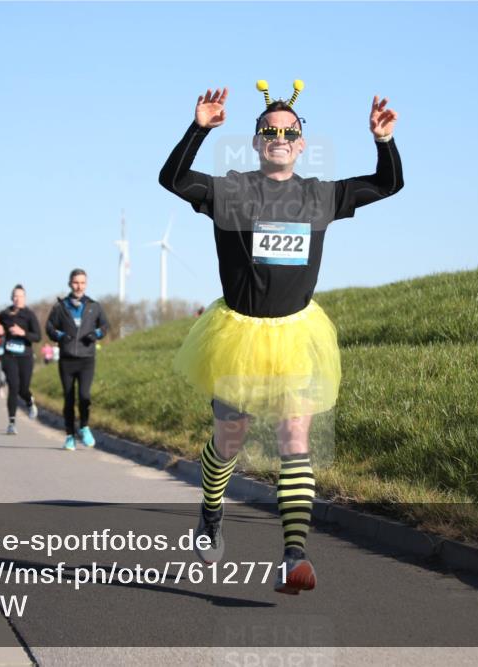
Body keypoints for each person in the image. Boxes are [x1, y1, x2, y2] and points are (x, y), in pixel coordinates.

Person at [158, 82, 402, 593]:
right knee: (229, 441)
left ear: (300, 144)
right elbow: (173, 178)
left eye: (288, 132)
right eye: (269, 130)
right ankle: (210, 512)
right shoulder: (231, 191)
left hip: (297, 336)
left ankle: (294, 557)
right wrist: (198, 129)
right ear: (255, 142)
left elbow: (388, 184)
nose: (278, 137)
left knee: (295, 440)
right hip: (238, 336)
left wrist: (383, 141)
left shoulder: (321, 196)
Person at [46, 269, 109, 450]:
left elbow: (104, 326)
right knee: (68, 398)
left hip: (87, 359)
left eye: (82, 282)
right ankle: (69, 436)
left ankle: (84, 427)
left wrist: (95, 334)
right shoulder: (60, 307)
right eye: (75, 282)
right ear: (69, 283)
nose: (79, 286)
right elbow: (49, 327)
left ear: (86, 284)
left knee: (84, 396)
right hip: (66, 359)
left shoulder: (93, 306)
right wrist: (60, 336)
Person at [0, 284, 42, 435]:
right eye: (15, 296)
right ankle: (11, 422)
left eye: (21, 296)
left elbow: (37, 337)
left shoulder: (29, 315)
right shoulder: (4, 314)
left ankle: (29, 402)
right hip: (9, 356)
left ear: (25, 298)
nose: (18, 299)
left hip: (25, 357)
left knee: (23, 388)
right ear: (11, 298)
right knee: (13, 387)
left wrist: (23, 332)